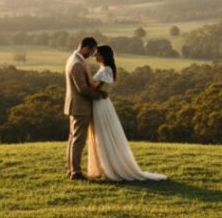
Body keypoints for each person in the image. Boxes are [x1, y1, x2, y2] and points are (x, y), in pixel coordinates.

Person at [85, 45, 167, 181]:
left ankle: (109, 167)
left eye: (97, 54)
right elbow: (100, 89)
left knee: (104, 134)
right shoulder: (105, 69)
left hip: (100, 104)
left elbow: (94, 87)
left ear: (104, 56)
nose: (95, 56)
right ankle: (102, 167)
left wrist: (86, 73)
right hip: (100, 102)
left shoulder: (106, 69)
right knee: (100, 134)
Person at [64, 36, 106, 180]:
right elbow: (82, 89)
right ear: (86, 48)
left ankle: (71, 169)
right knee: (78, 140)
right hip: (80, 107)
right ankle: (75, 172)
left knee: (73, 139)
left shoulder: (74, 59)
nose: (93, 54)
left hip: (75, 106)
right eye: (92, 50)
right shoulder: (76, 63)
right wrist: (100, 95)